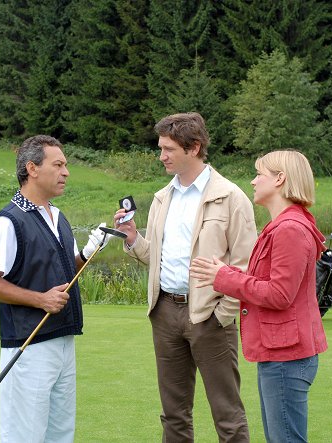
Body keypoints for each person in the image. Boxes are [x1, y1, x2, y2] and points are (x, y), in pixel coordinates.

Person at [113, 112, 258, 442]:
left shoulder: (231, 197)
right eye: (161, 148)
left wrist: (223, 314)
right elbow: (160, 260)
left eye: (168, 149)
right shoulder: (164, 197)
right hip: (165, 313)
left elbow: (245, 264)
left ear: (194, 148)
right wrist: (134, 239)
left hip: (209, 317)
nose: (161, 156)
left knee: (228, 415)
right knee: (174, 415)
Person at [0, 135, 113, 443]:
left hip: (63, 338)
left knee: (60, 433)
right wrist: (40, 299)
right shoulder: (9, 222)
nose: (66, 172)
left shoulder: (58, 216)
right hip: (28, 343)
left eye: (66, 165)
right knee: (25, 435)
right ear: (32, 169)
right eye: (58, 164)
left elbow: (68, 270)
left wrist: (92, 248)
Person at [190, 150, 328, 443]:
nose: (253, 181)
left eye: (259, 174)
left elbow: (279, 294)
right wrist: (227, 275)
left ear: (280, 179)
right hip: (281, 353)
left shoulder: (290, 229)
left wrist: (224, 278)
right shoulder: (286, 224)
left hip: (287, 356)